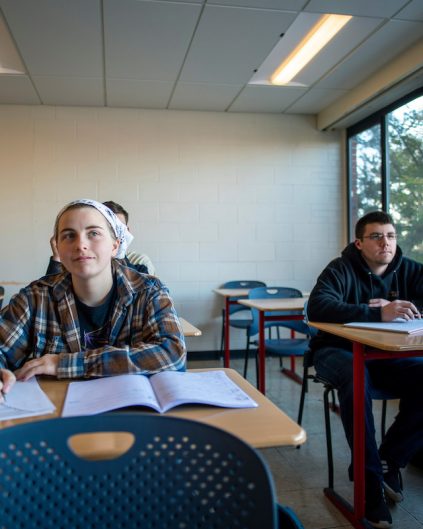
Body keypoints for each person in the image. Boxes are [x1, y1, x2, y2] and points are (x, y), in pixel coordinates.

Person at [0, 198, 185, 400]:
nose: (80, 245)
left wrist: (64, 364)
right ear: (58, 248)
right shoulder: (34, 298)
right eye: (69, 235)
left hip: (131, 413)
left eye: (94, 233)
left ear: (115, 246)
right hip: (56, 417)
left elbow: (172, 355)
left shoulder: (149, 291)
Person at [308, 211, 423, 529]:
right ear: (359, 243)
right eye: (376, 236)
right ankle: (369, 485)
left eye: (391, 235)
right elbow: (317, 306)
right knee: (356, 378)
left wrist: (406, 308)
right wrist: (375, 313)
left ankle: (390, 461)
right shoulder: (340, 269)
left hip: (387, 355)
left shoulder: (410, 269)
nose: (385, 242)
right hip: (335, 351)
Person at [45, 200, 156, 276]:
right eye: (70, 235)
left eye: (119, 230)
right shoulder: (77, 262)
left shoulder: (140, 263)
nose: (81, 245)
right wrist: (57, 257)